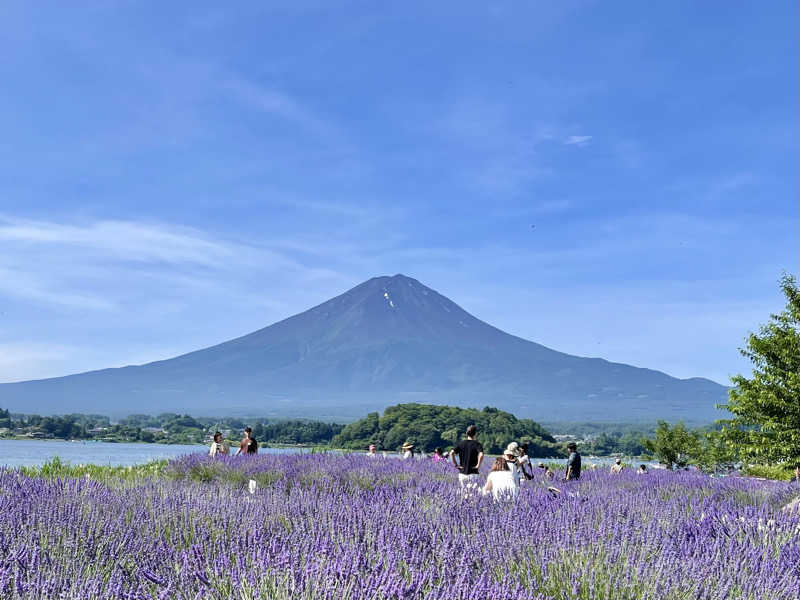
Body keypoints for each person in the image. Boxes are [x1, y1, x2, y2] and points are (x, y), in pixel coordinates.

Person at [450, 425, 484, 492]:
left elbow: (451, 453)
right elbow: (481, 454)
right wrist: (478, 465)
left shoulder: (461, 443)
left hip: (462, 473)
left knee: (463, 492)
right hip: (473, 473)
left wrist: (456, 465)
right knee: (473, 493)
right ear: (475, 434)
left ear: (466, 433)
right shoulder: (477, 444)